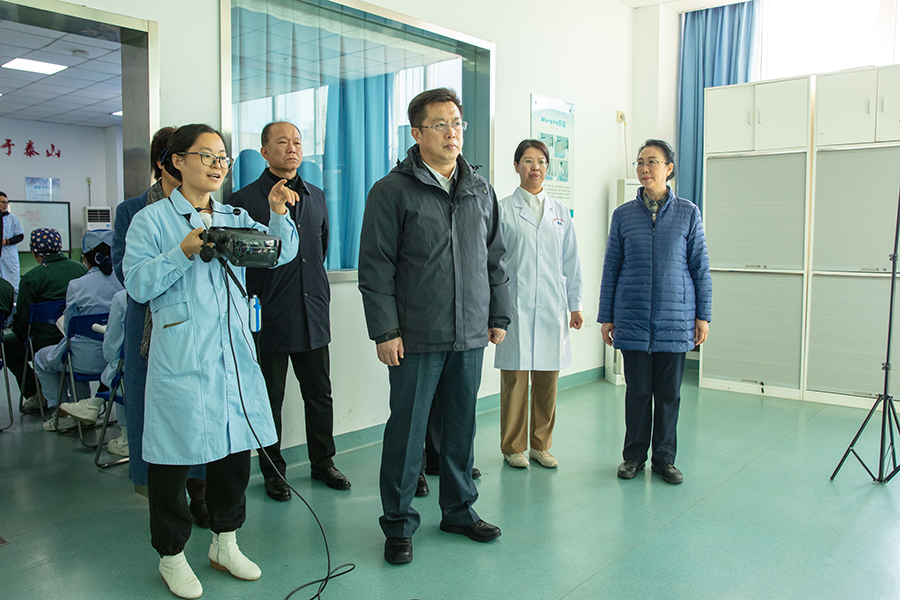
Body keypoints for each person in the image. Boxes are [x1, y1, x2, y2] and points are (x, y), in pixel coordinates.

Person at [123, 123, 298, 599]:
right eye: (207, 156)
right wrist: (182, 251)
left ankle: (226, 541)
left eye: (223, 157)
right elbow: (137, 284)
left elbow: (278, 254)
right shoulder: (152, 221)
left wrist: (278, 214)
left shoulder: (235, 216)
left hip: (232, 351)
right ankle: (172, 555)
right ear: (177, 161)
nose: (218, 165)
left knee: (233, 450)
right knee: (172, 460)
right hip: (182, 355)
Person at [359, 87, 511, 565]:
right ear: (417, 133)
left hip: (469, 333)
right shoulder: (391, 191)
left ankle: (460, 511)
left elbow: (494, 258)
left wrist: (498, 315)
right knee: (407, 433)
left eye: (457, 123)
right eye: (441, 124)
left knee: (461, 428)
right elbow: (376, 267)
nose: (452, 133)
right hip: (416, 337)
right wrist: (385, 331)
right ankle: (398, 524)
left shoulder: (479, 189)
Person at [229, 121, 350, 500]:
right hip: (268, 315)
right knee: (270, 399)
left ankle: (323, 463)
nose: (292, 148)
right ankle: (273, 471)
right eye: (282, 142)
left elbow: (320, 248)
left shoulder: (316, 195)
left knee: (320, 394)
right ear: (265, 152)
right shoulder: (242, 201)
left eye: (297, 142)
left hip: (312, 310)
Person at [599, 139, 712, 485]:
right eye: (640, 162)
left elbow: (700, 267)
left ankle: (665, 459)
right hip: (632, 318)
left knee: (668, 395)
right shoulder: (623, 215)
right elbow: (612, 267)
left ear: (669, 169)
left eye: (652, 162)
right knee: (637, 393)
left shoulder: (688, 213)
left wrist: (703, 315)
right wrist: (607, 316)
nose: (644, 168)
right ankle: (633, 456)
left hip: (676, 320)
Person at [111, 127, 208, 522]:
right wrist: (177, 254)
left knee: (198, 413)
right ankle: (168, 509)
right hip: (150, 330)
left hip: (199, 329)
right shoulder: (134, 211)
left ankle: (201, 494)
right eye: (179, 154)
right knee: (156, 421)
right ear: (165, 161)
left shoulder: (210, 208)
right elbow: (126, 272)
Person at [495, 139, 583, 469]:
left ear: (548, 167)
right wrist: (494, 311)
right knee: (515, 382)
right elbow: (494, 263)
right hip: (514, 307)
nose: (535, 167)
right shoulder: (502, 209)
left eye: (542, 162)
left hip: (552, 307)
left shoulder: (560, 212)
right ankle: (513, 447)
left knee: (547, 382)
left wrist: (575, 304)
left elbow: (571, 261)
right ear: (516, 166)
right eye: (528, 161)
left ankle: (541, 445)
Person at [35, 230, 123, 431]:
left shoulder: (77, 285)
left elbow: (69, 328)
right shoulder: (123, 281)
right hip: (116, 360)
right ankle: (81, 409)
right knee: (68, 355)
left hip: (84, 359)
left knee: (43, 358)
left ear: (85, 259)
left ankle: (62, 412)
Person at [5, 228, 87, 413]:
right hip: (78, 338)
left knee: (8, 343)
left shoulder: (31, 278)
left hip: (42, 341)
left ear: (35, 252)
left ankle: (37, 393)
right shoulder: (80, 269)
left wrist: (24, 336)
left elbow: (22, 322)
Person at [63, 288, 129, 456]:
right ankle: (93, 404)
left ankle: (126, 439)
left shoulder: (123, 297)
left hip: (130, 380)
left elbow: (111, 352)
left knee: (119, 366)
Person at [0, 192, 25, 292]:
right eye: (3, 202)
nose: (6, 205)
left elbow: (20, 236)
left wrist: (7, 241)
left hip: (9, 255)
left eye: (7, 202)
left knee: (12, 285)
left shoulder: (12, 218)